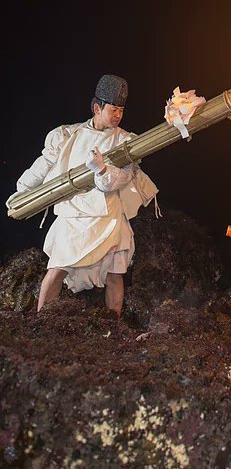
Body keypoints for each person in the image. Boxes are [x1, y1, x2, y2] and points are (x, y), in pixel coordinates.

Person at [6, 74, 159, 317]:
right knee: (57, 269)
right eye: (113, 109)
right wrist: (22, 191)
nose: (119, 114)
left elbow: (122, 178)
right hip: (74, 214)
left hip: (109, 215)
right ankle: (41, 319)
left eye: (122, 109)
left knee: (115, 273)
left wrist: (101, 169)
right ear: (97, 107)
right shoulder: (68, 135)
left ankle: (113, 323)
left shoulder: (126, 141)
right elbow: (44, 164)